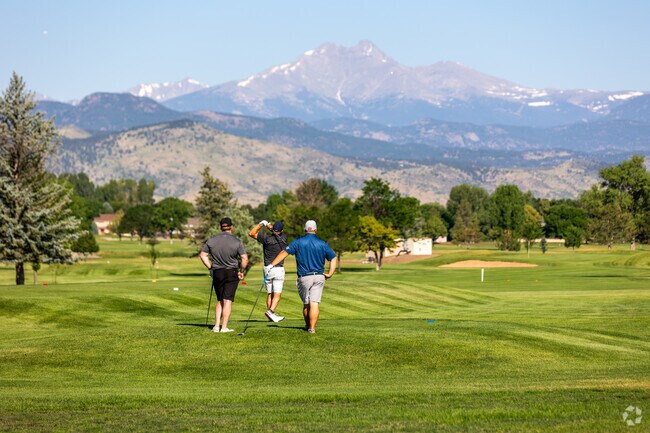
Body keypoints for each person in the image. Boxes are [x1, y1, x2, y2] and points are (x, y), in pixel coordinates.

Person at [266, 220, 337, 334]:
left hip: (304, 278)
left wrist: (271, 265)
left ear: (305, 229)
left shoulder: (298, 242)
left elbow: (284, 253)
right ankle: (312, 329)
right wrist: (330, 273)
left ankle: (307, 325)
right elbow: (333, 258)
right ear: (316, 230)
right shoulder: (322, 243)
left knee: (306, 303)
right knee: (314, 303)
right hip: (319, 276)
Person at [199, 217, 248, 333]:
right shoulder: (236, 241)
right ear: (231, 227)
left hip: (217, 272)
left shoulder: (212, 241)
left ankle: (216, 326)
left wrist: (210, 268)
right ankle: (224, 327)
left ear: (220, 227)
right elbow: (244, 259)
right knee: (227, 300)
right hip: (231, 272)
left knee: (220, 299)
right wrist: (241, 271)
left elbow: (202, 255)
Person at [248, 220, 288, 322]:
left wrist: (262, 224)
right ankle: (271, 312)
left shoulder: (266, 238)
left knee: (270, 293)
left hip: (267, 269)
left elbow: (251, 233)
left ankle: (270, 316)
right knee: (277, 294)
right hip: (278, 268)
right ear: (282, 230)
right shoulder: (284, 238)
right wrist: (272, 228)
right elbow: (279, 234)